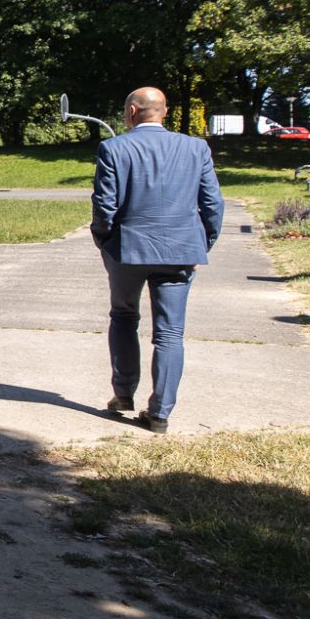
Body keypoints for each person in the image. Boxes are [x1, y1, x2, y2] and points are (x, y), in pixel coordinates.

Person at [90, 87, 224, 433]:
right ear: (163, 112)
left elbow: (105, 205)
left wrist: (104, 240)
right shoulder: (196, 148)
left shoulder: (115, 148)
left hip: (128, 250)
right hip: (180, 251)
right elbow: (213, 203)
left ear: (132, 112)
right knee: (170, 332)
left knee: (123, 316)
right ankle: (160, 412)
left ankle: (123, 393)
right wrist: (201, 244)